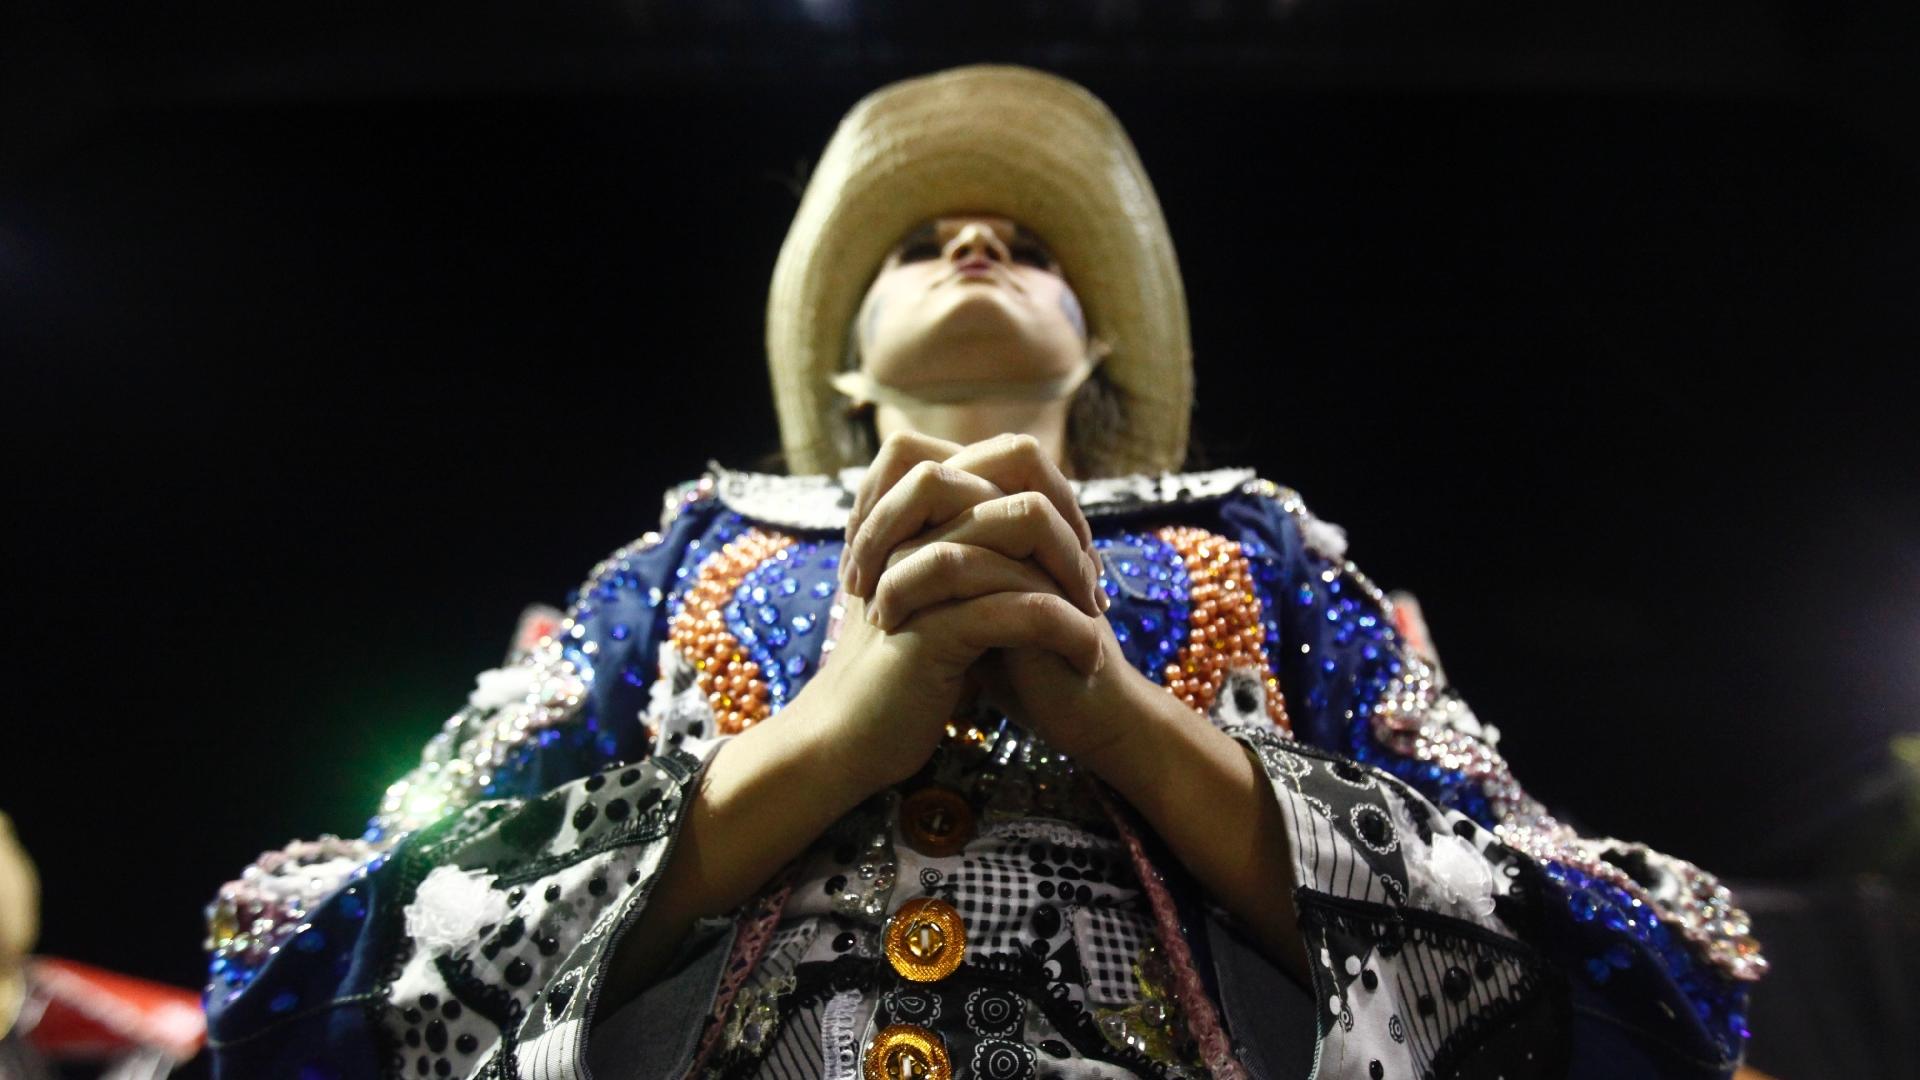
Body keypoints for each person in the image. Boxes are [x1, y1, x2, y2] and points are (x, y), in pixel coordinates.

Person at [203, 65, 1766, 1079]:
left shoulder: (1255, 545)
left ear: (1093, 347)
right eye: (924, 240)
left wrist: (1126, 722)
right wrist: (823, 746)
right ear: (849, 360)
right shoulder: (682, 554)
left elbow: (1619, 966)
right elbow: (309, 968)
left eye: (1025, 240)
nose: (972, 249)